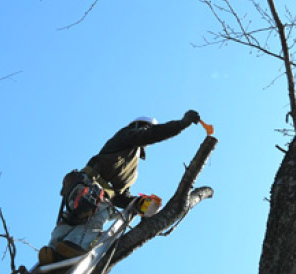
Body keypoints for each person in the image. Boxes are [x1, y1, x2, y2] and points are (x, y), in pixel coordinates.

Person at [39, 110, 201, 265]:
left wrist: (139, 203)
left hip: (90, 192)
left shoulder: (131, 168)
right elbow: (152, 135)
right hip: (93, 191)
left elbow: (121, 196)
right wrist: (181, 124)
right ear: (139, 126)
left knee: (71, 220)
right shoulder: (127, 135)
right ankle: (73, 247)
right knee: (92, 222)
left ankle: (53, 252)